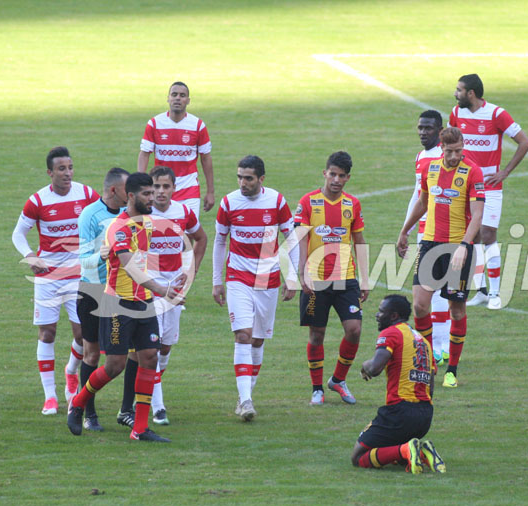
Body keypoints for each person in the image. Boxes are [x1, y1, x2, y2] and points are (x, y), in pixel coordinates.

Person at [67, 172, 185, 442]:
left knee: (150, 357)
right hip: (118, 304)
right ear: (130, 196)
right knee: (114, 366)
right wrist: (163, 290)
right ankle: (79, 402)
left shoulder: (148, 223)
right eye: (147, 193)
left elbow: (145, 262)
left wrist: (170, 280)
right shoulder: (118, 228)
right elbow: (130, 267)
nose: (153, 198)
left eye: (153, 192)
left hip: (144, 303)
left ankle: (139, 429)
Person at [12, 146, 100, 415]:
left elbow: (103, 219)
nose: (67, 173)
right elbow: (18, 234)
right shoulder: (38, 201)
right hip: (48, 277)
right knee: (47, 332)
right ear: (50, 173)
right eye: (61, 169)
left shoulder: (86, 194)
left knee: (83, 335)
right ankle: (50, 396)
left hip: (78, 275)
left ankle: (71, 371)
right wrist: (30, 256)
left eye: (70, 168)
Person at [212, 155, 300, 421]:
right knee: (243, 335)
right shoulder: (228, 203)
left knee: (258, 340)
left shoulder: (276, 201)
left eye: (248, 178)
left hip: (267, 279)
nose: (242, 183)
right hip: (237, 276)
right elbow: (220, 242)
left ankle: (244, 396)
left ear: (261, 179)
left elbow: (291, 238)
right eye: (239, 177)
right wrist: (217, 280)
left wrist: (292, 277)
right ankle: (247, 400)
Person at [397, 127, 485, 389]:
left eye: (458, 150)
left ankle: (452, 371)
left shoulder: (473, 172)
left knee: (456, 310)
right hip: (430, 245)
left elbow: (477, 215)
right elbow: (423, 203)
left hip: (458, 248)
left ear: (463, 146)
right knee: (419, 305)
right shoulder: (430, 168)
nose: (455, 156)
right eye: (450, 152)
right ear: (442, 149)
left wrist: (464, 245)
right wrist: (405, 230)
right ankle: (429, 362)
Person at [449, 73, 528, 310]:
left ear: (471, 93)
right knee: (471, 236)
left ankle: (496, 293)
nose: (455, 94)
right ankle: (482, 291)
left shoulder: (496, 114)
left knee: (487, 234)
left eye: (459, 90)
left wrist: (505, 172)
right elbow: (450, 144)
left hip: (490, 186)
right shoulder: (456, 113)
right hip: (465, 186)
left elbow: (525, 142)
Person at [294, 151, 369, 405]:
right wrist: (302, 271)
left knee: (354, 330)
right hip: (316, 280)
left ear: (348, 178)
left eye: (341, 176)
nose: (336, 180)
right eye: (332, 174)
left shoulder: (352, 205)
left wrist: (365, 279)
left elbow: (359, 241)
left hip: (345, 278)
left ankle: (338, 380)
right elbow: (301, 239)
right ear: (325, 173)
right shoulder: (308, 202)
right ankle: (317, 389)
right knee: (317, 334)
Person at [351, 294, 445, 474]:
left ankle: (406, 449)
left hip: (399, 412)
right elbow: (431, 386)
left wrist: (365, 365)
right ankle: (421, 451)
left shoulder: (391, 333)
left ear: (393, 316)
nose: (377, 315)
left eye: (381, 312)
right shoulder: (423, 341)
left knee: (358, 457)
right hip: (425, 416)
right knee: (391, 452)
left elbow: (375, 368)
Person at [146, 166, 208, 425]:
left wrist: (190, 271)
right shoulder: (142, 214)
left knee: (165, 347)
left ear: (174, 188)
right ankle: (158, 407)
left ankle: (148, 389)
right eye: (156, 187)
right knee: (151, 348)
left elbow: (201, 239)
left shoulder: (183, 212)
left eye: (165, 186)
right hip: (149, 288)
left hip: (174, 290)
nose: (160, 191)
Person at [75, 167, 129, 430]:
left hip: (122, 292)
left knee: (131, 354)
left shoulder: (129, 214)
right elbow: (83, 260)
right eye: (128, 189)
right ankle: (88, 413)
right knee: (92, 355)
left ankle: (128, 410)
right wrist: (101, 255)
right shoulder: (90, 215)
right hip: (93, 292)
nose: (132, 194)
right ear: (114, 190)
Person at [402, 109, 450, 367]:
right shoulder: (420, 157)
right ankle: (439, 347)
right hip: (425, 231)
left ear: (440, 131)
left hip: (448, 232)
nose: (422, 132)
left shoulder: (447, 157)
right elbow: (418, 194)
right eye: (420, 127)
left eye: (428, 128)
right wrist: (406, 229)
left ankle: (443, 347)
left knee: (444, 292)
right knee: (430, 291)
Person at [138, 81, 215, 218]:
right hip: (160, 189)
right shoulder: (155, 124)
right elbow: (144, 154)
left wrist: (210, 192)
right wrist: (140, 185)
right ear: (168, 98)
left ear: (188, 100)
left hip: (189, 190)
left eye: (182, 95)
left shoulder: (197, 125)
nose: (178, 98)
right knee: (159, 228)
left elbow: (206, 158)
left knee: (190, 229)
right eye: (174, 95)